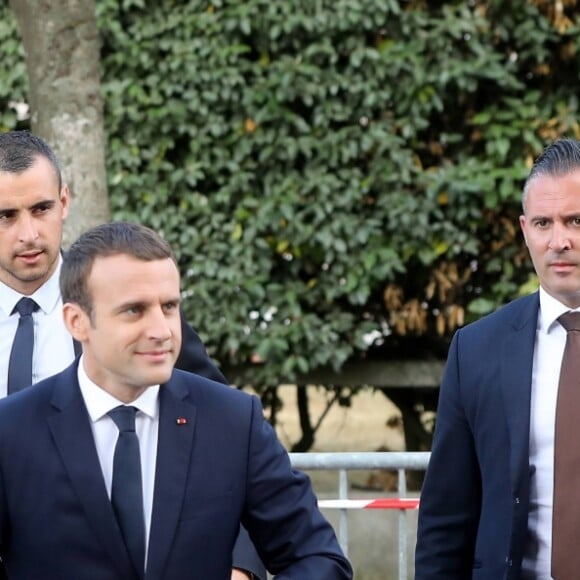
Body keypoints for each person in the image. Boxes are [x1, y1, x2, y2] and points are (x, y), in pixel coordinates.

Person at [0, 221, 352, 579]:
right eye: (134, 310)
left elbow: (318, 559)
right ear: (76, 322)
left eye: (169, 307)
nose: (161, 330)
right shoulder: (11, 431)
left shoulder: (232, 422)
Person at [0, 130, 264, 579]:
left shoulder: (144, 315)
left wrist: (241, 565)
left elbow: (221, 444)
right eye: (5, 216)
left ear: (64, 202)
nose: (29, 234)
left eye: (41, 209)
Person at [415, 138, 580, 579]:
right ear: (525, 230)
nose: (559, 241)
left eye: (575, 220)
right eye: (544, 223)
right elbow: (446, 521)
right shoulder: (478, 351)